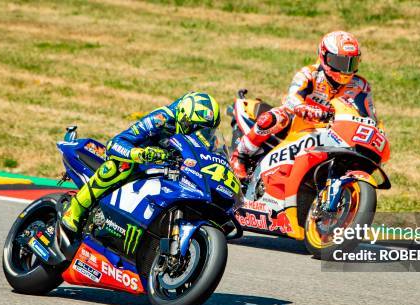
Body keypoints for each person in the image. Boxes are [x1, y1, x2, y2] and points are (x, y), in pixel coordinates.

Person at [61, 92, 221, 233]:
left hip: (164, 171)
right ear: (183, 119)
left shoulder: (207, 140)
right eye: (195, 129)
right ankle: (75, 209)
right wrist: (141, 153)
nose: (201, 135)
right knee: (120, 166)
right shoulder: (161, 119)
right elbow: (116, 143)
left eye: (207, 130)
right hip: (137, 163)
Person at [230, 30, 380, 180]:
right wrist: (302, 108)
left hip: (333, 130)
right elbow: (291, 98)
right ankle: (240, 156)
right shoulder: (309, 74)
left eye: (351, 63)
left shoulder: (360, 85)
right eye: (340, 62)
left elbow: (369, 116)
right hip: (297, 123)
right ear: (324, 57)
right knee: (273, 118)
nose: (345, 70)